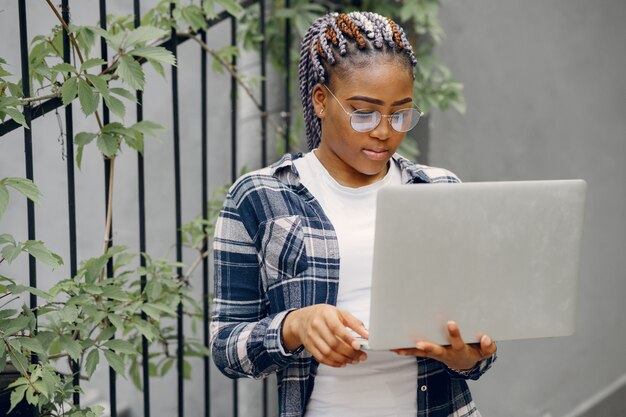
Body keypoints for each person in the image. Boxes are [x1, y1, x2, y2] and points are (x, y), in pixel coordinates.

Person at [210, 11, 497, 417]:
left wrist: (466, 356)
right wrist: (295, 326)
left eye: (400, 114)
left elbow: (478, 347)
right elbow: (226, 347)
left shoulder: (440, 191)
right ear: (322, 101)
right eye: (364, 113)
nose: (384, 131)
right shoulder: (259, 197)